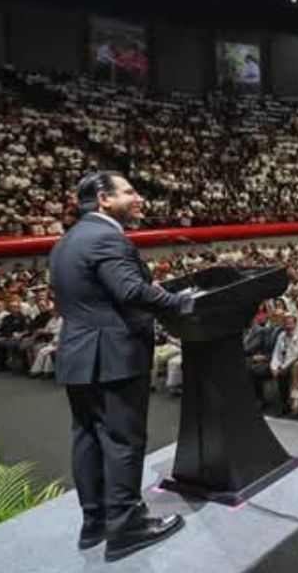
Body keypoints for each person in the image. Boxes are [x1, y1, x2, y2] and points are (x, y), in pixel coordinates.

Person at [49, 172, 193, 561]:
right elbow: (128, 290)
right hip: (112, 355)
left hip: (79, 354)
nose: (139, 198)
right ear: (103, 199)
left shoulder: (67, 241)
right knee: (122, 439)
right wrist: (179, 302)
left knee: (87, 437)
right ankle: (127, 526)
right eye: (129, 191)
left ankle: (94, 521)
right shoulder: (107, 237)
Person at [269, 313, 298, 414]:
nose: (287, 326)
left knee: (283, 375)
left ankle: (289, 405)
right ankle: (283, 404)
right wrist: (274, 367)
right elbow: (276, 353)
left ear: (295, 324)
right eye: (286, 324)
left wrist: (282, 368)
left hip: (295, 362)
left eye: (290, 324)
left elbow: (295, 354)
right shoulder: (281, 335)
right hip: (282, 364)